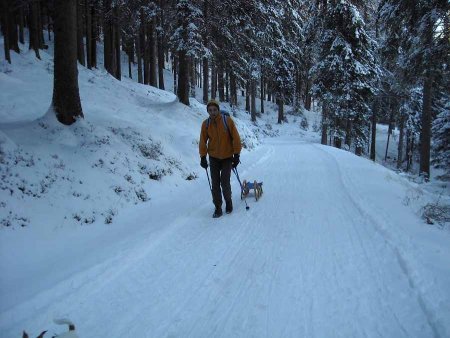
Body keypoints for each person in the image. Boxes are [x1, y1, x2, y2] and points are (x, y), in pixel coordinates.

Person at [199, 99, 242, 218]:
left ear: (218, 110)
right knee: (215, 183)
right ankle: (218, 206)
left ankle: (228, 202)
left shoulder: (227, 121)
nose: (212, 112)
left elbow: (236, 138)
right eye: (210, 110)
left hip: (227, 157)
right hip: (213, 158)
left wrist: (236, 155)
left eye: (214, 110)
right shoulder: (206, 124)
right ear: (208, 111)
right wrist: (203, 157)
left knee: (225, 182)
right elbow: (203, 141)